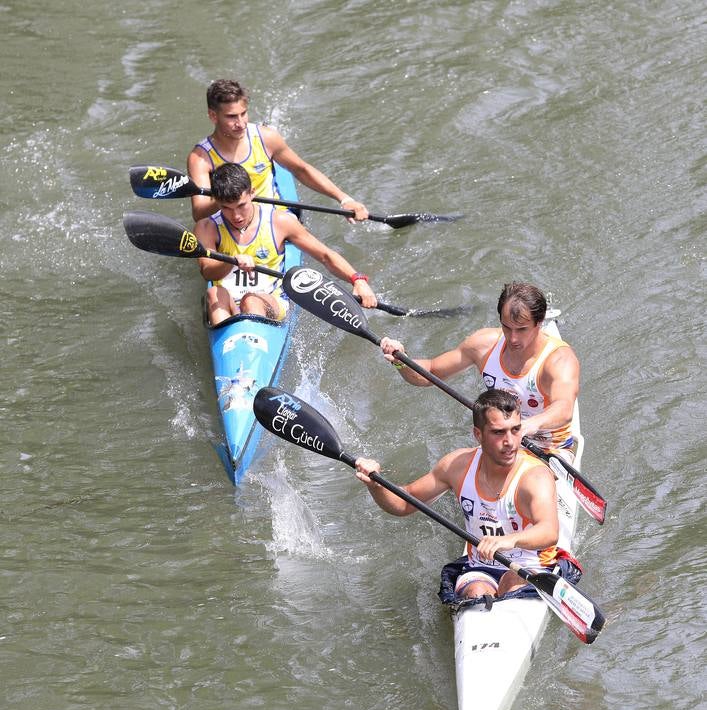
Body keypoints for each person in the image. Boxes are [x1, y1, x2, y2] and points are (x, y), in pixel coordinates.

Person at [354, 389, 581, 604]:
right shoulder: (456, 466)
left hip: (529, 567)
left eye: (515, 430)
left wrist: (507, 541)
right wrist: (376, 485)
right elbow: (404, 503)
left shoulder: (535, 476)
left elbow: (549, 531)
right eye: (498, 432)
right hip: (480, 567)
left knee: (512, 582)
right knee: (475, 594)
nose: (510, 442)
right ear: (478, 435)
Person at [380, 282, 580, 454]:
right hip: (501, 444)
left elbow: (564, 408)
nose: (513, 339)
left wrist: (527, 426)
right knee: (450, 469)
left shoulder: (559, 360)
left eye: (521, 330)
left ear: (539, 322)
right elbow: (429, 373)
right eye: (507, 327)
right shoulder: (483, 345)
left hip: (548, 448)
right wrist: (401, 360)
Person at [194, 163, 378, 325]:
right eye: (227, 208)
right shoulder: (206, 227)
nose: (236, 216)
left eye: (241, 205)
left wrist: (357, 280)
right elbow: (207, 271)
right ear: (217, 202)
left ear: (252, 193)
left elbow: (325, 256)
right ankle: (231, 349)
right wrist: (231, 261)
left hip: (270, 300)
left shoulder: (279, 222)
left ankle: (252, 351)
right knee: (213, 293)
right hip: (228, 303)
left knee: (251, 300)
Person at [187, 79, 369, 223]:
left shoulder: (267, 138)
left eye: (243, 113)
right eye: (231, 117)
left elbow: (301, 170)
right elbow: (199, 214)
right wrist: (227, 199)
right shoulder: (200, 159)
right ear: (213, 116)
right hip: (232, 219)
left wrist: (344, 199)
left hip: (272, 218)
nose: (241, 123)